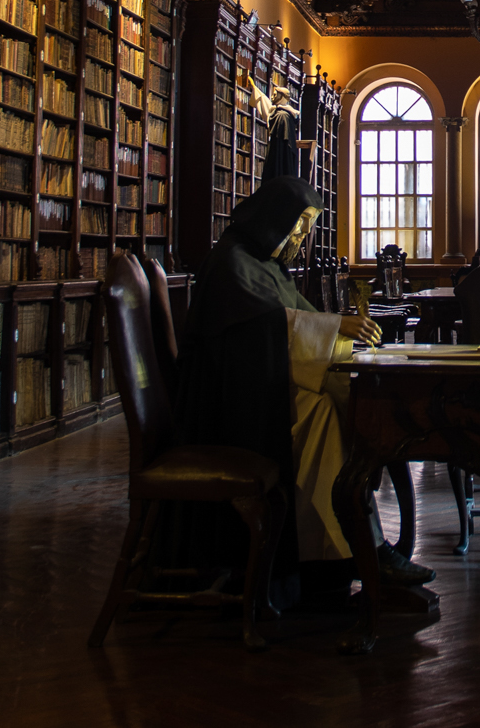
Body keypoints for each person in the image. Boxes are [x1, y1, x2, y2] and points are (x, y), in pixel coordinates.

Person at [174, 175, 432, 596]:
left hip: (260, 391)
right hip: (231, 408)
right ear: (275, 217)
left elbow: (297, 321)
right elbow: (264, 335)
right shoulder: (233, 262)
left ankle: (346, 548)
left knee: (337, 408)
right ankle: (344, 552)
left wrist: (339, 332)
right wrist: (336, 328)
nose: (301, 235)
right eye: (299, 223)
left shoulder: (266, 265)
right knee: (325, 413)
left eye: (308, 226)